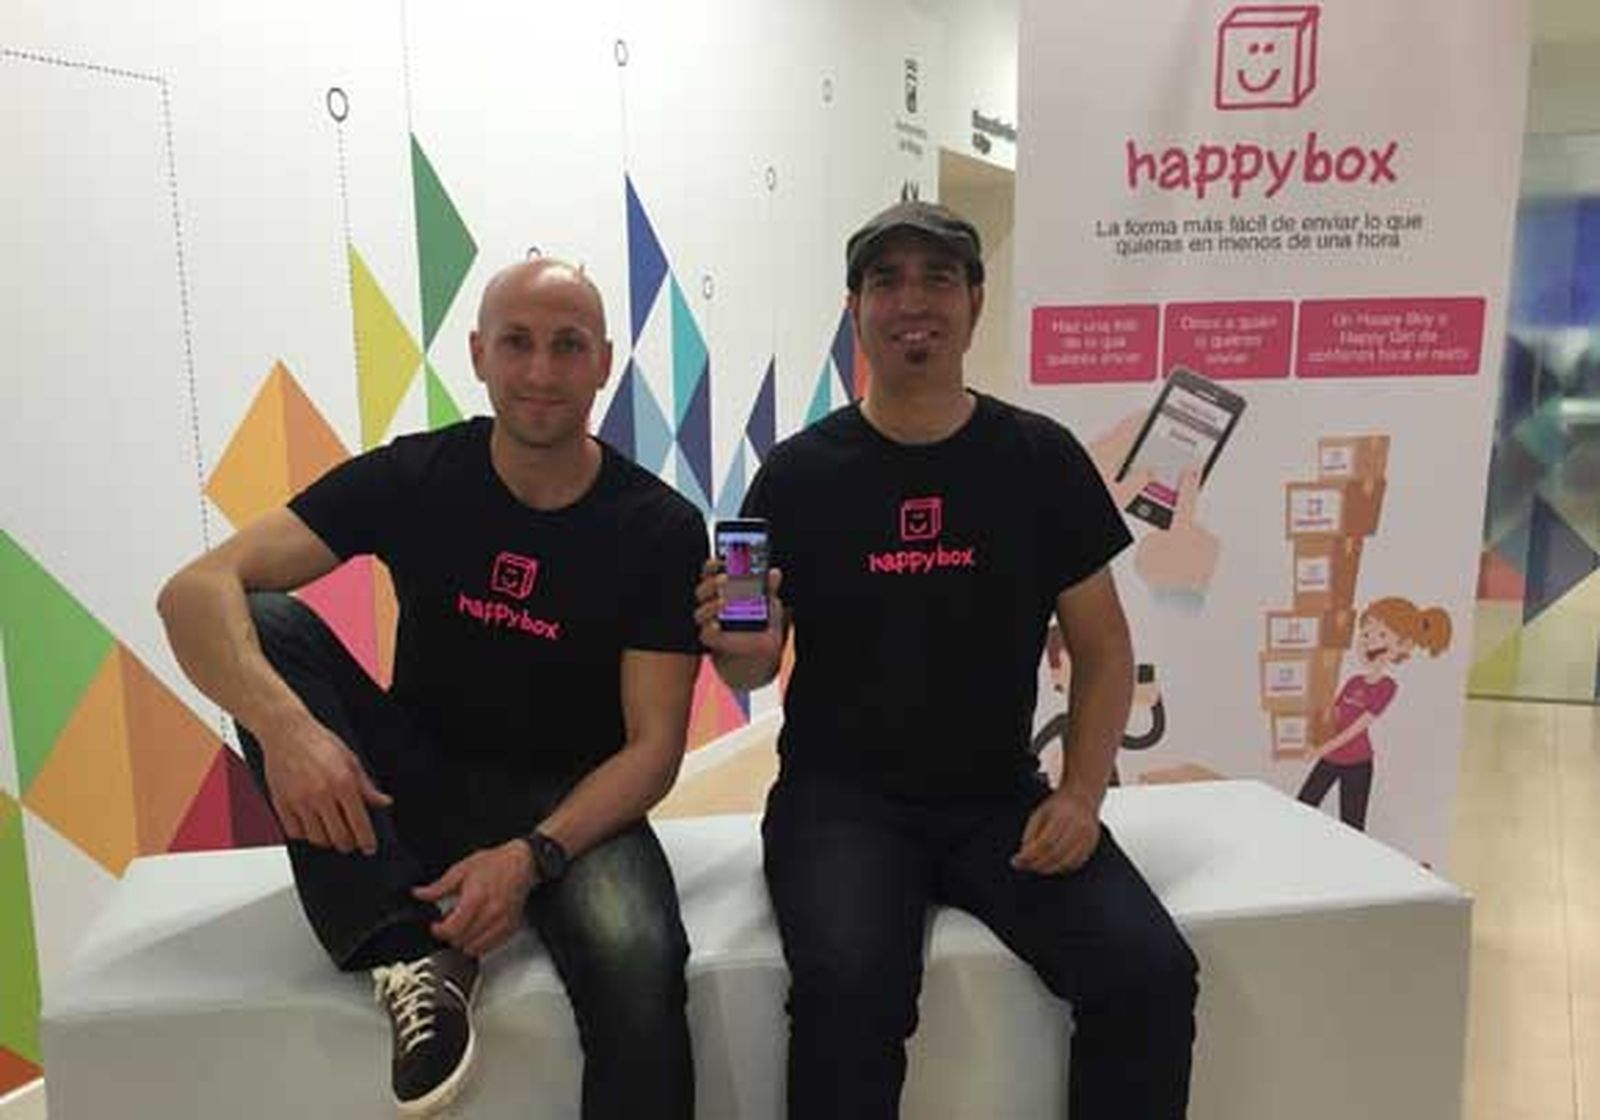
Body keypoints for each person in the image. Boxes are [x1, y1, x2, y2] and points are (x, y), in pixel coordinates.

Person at [158, 259, 706, 1118]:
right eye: (517, 343)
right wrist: (288, 732)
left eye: (568, 347)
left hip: (572, 801)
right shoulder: (416, 475)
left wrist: (530, 857)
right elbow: (195, 592)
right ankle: (410, 953)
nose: (540, 371)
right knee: (263, 622)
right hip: (418, 772)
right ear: (479, 353)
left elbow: (654, 749)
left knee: (640, 964)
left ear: (604, 363)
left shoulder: (659, 528)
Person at [696, 200, 1199, 1120]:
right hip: (838, 806)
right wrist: (746, 653)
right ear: (855, 309)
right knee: (850, 996)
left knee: (1149, 973)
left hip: (997, 799)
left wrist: (1080, 796)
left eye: (937, 277)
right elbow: (746, 667)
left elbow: (1103, 646)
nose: (912, 301)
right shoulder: (792, 476)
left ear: (975, 301)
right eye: (885, 280)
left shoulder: (1040, 458)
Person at [1298, 596, 1452, 831]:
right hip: (1330, 757)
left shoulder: (1386, 687)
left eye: (1381, 635)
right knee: (1302, 806)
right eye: (1366, 634)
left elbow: (1355, 729)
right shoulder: (1354, 682)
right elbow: (1334, 717)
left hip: (1356, 764)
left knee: (1352, 826)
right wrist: (1314, 738)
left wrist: (1320, 749)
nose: (1369, 641)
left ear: (1403, 645)